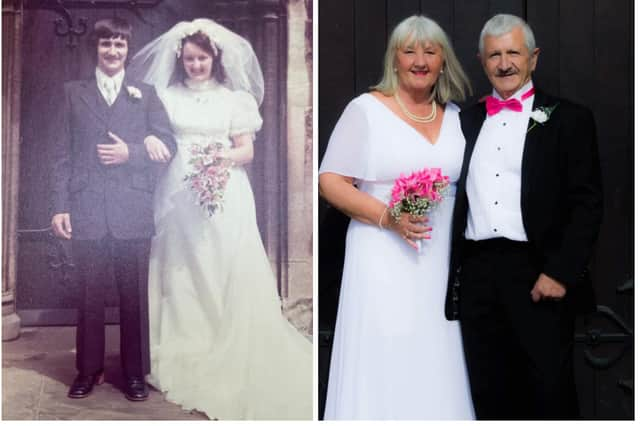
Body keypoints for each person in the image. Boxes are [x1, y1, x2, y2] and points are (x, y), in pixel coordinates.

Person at [127, 19, 312, 420]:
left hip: (223, 190)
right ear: (181, 59)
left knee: (221, 260)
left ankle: (223, 341)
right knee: (180, 265)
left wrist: (217, 159)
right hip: (177, 192)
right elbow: (153, 132)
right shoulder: (165, 95)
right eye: (190, 59)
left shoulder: (234, 99)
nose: (196, 65)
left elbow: (245, 150)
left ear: (215, 59)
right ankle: (183, 341)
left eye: (202, 58)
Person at [445, 14, 603, 419]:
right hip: (478, 274)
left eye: (513, 52)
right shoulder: (464, 121)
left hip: (539, 272)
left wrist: (561, 272)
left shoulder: (569, 118)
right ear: (482, 61)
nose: (504, 63)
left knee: (548, 390)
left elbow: (587, 203)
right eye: (494, 55)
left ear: (533, 57)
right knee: (488, 389)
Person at [319, 15, 475, 420]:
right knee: (386, 348)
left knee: (438, 348)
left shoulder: (457, 116)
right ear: (394, 59)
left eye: (430, 51)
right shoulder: (366, 110)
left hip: (441, 261)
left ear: (444, 60)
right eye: (409, 51)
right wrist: (389, 217)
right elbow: (331, 181)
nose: (419, 60)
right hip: (381, 253)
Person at [49, 17, 176, 401]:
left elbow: (168, 146)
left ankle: (135, 374)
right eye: (106, 44)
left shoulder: (146, 94)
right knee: (89, 294)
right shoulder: (73, 92)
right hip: (86, 206)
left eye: (120, 44)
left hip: (131, 208)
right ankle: (87, 371)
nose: (113, 51)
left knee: (133, 295)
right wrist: (59, 207)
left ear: (127, 50)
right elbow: (60, 154)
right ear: (96, 48)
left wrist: (131, 152)